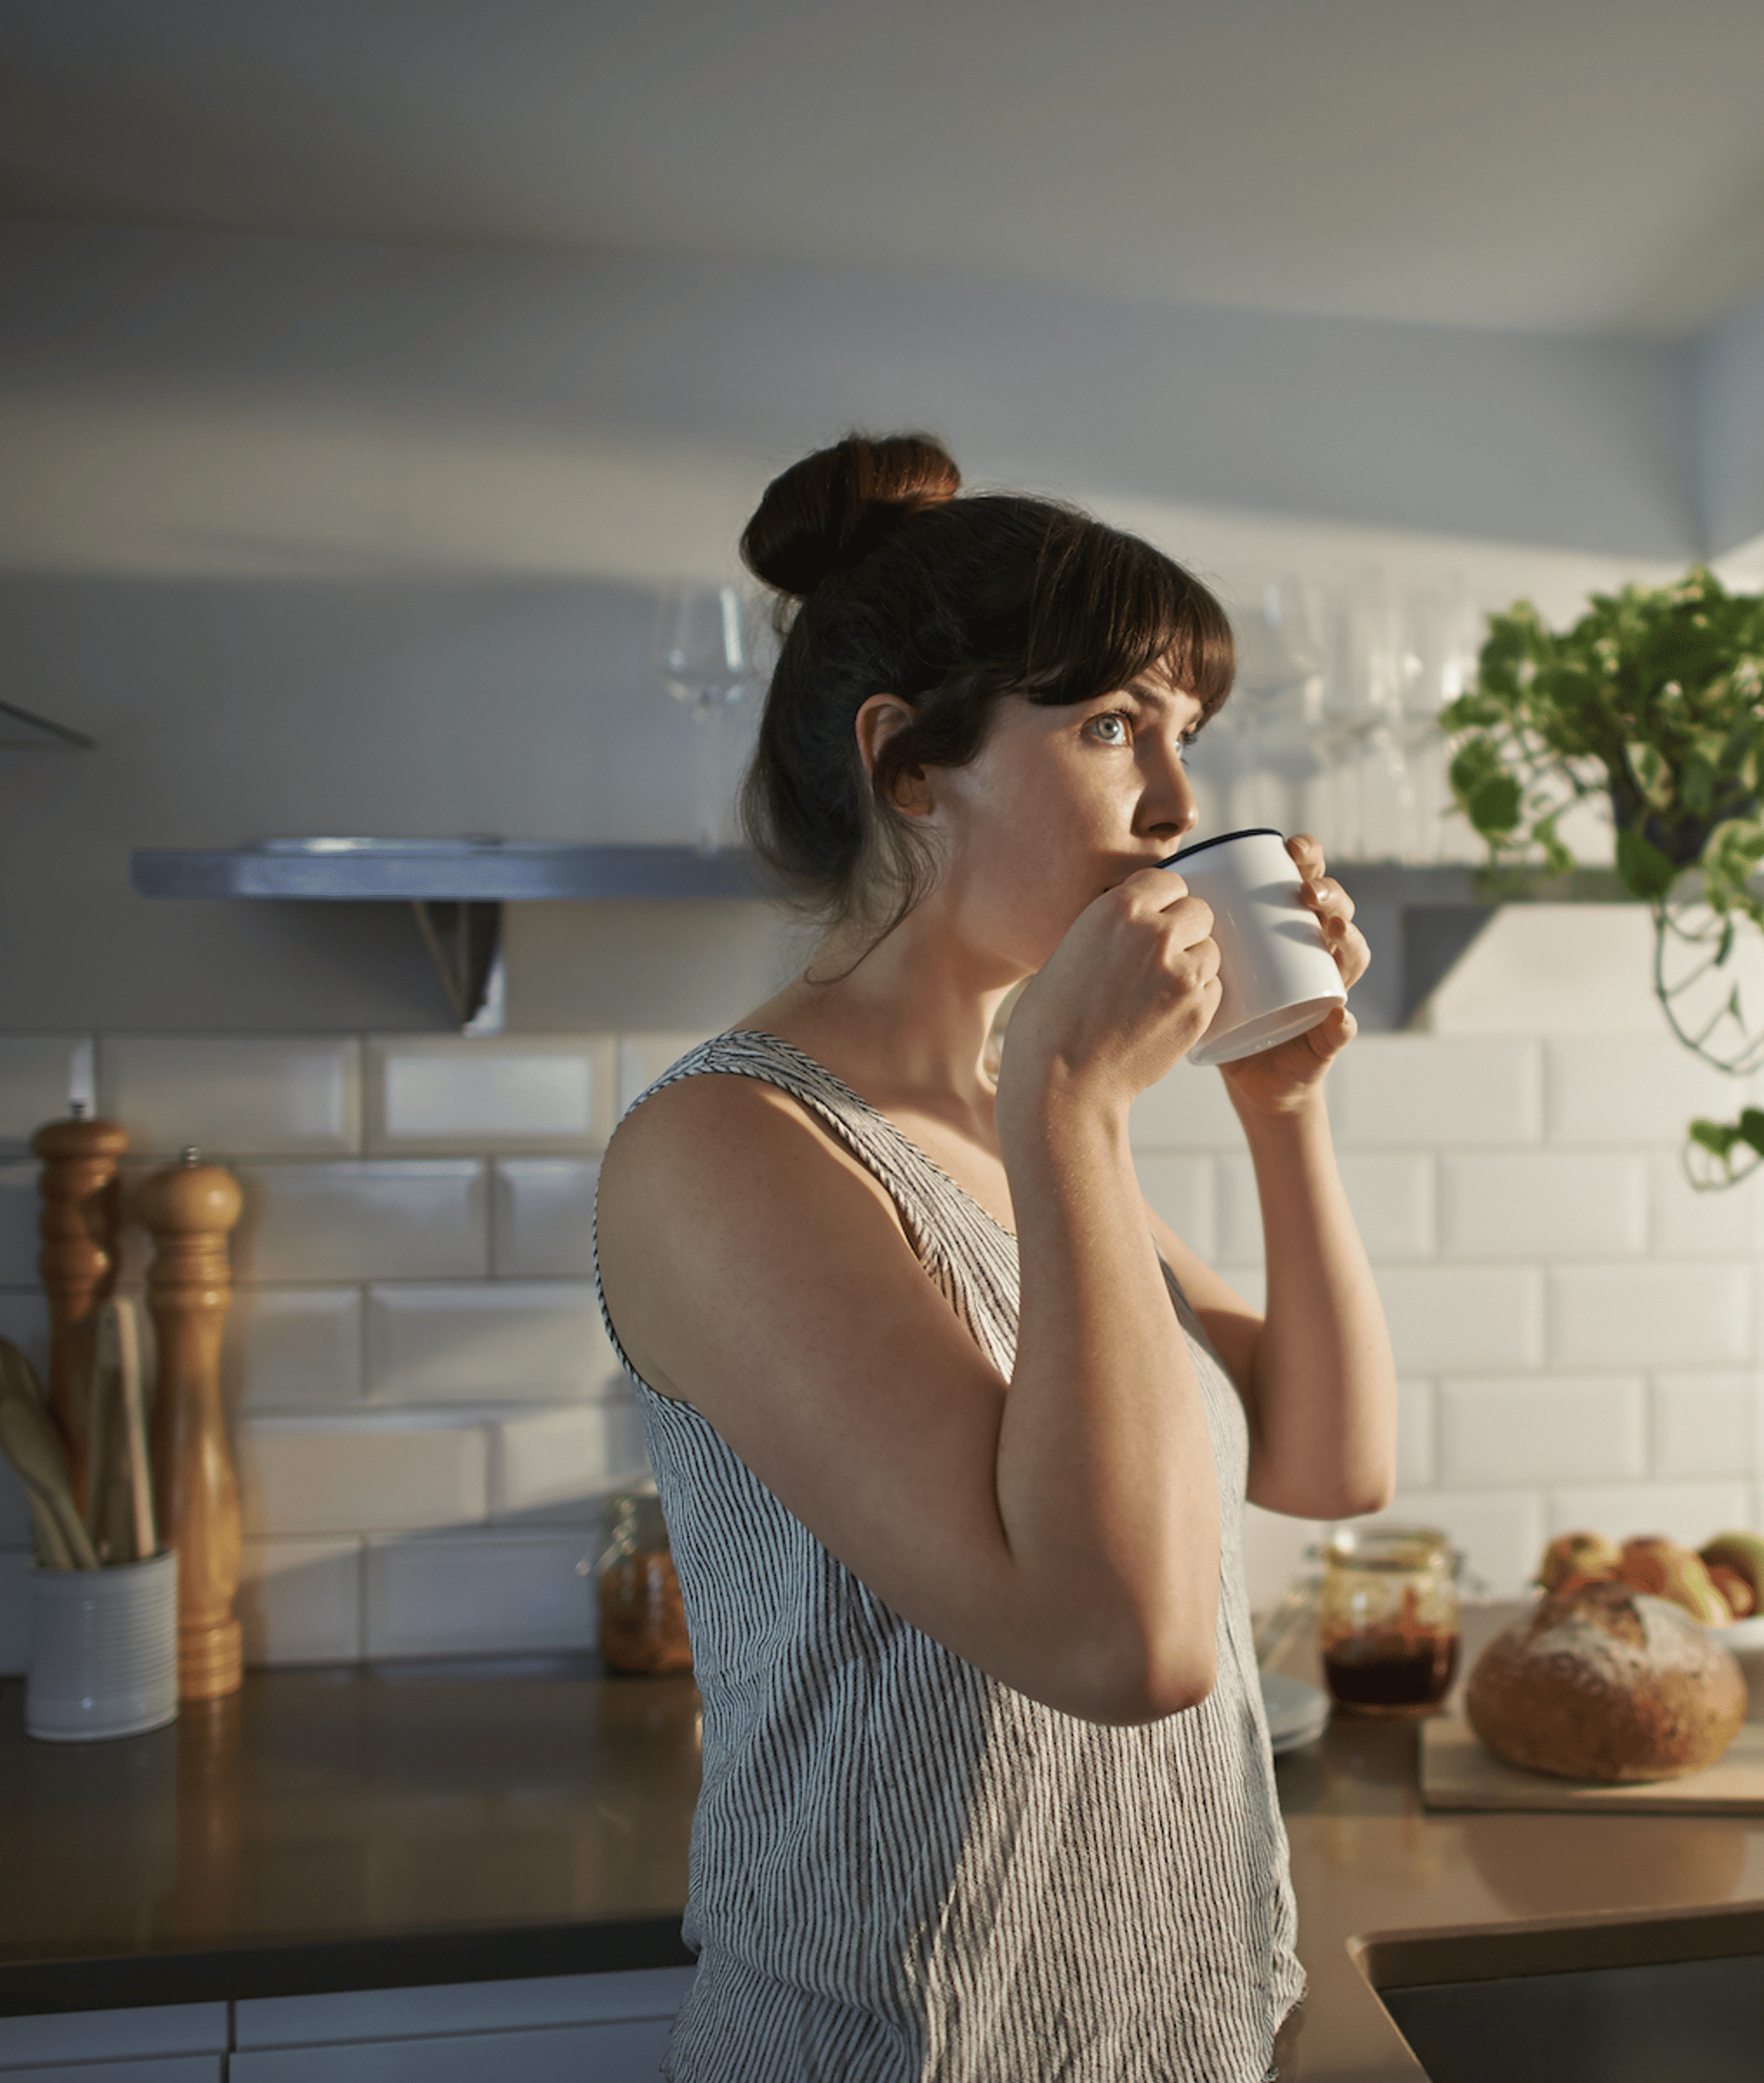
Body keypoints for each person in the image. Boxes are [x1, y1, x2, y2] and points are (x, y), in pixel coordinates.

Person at [593, 431, 1397, 2081]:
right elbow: (1125, 1647)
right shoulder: (731, 1149)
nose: (1180, 804)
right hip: (898, 2048)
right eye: (1111, 728)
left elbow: (1327, 1463)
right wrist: (1078, 1113)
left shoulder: (1008, 1114)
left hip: (1158, 2030)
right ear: (907, 765)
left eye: (1186, 736)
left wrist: (1282, 1105)